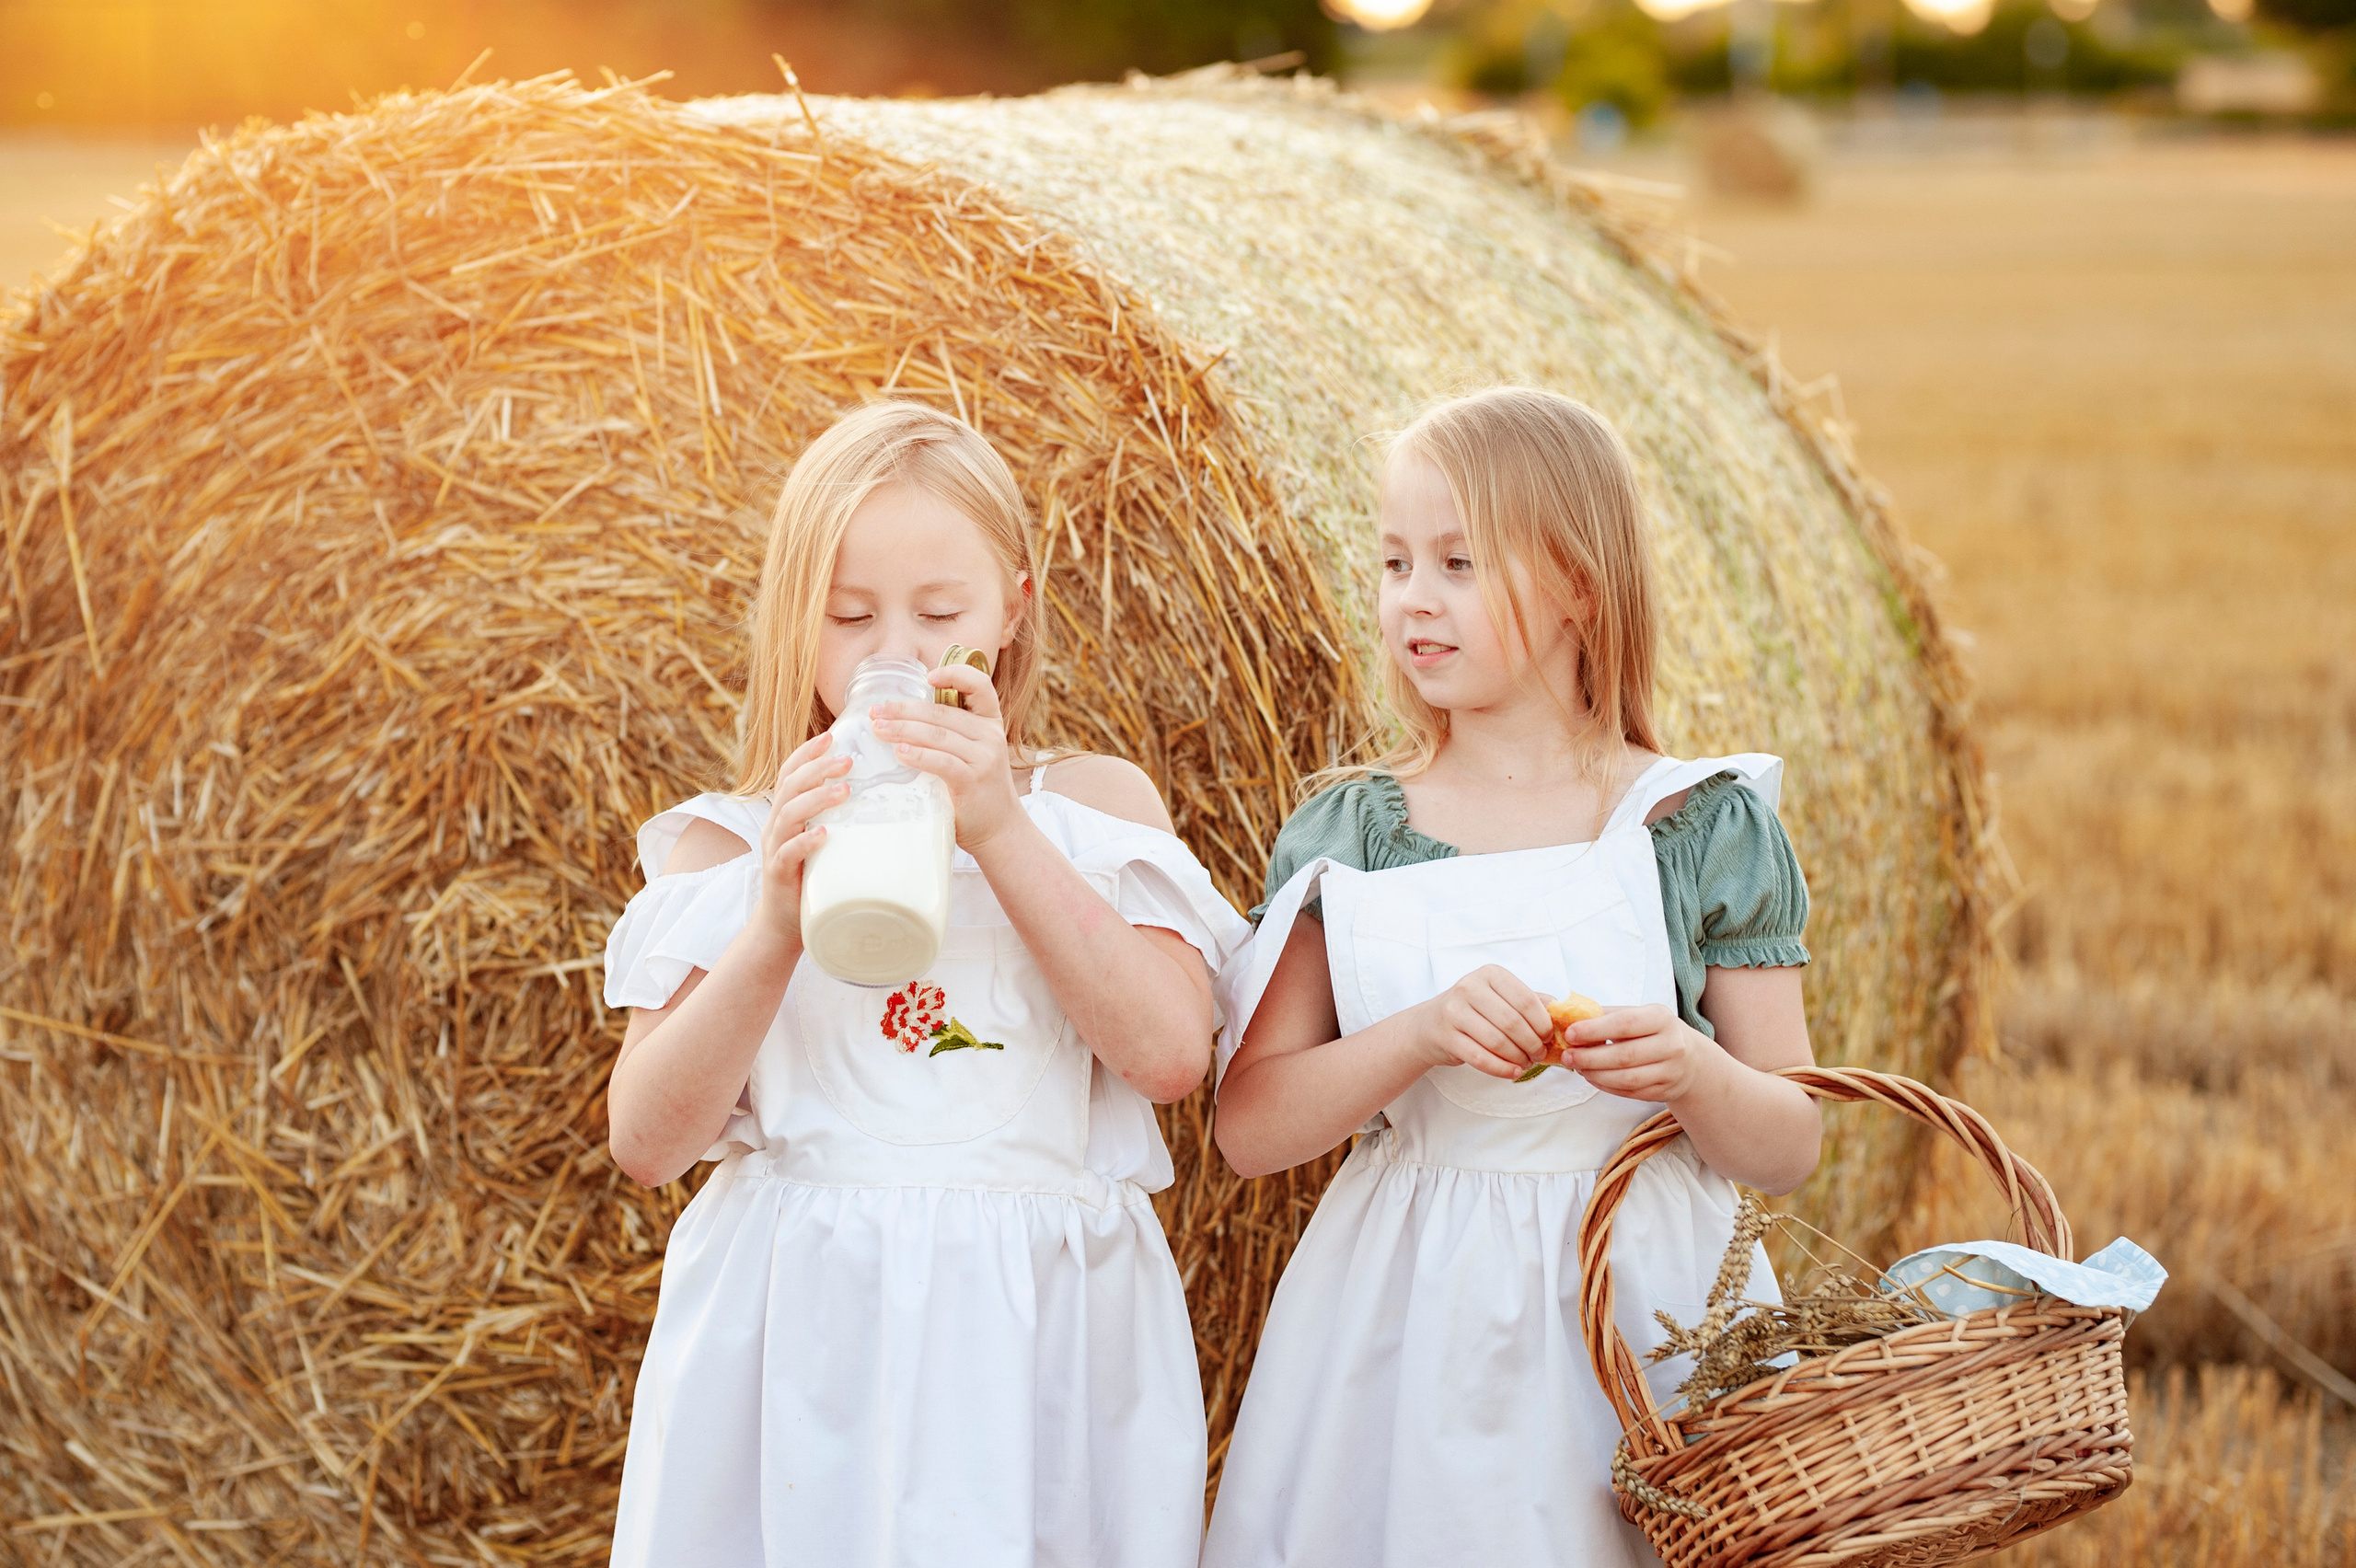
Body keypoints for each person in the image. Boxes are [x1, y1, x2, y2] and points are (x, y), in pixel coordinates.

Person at [599, 400, 1245, 1568]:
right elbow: (647, 1140)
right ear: (794, 623)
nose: (890, 647)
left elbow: (1168, 1056)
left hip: (1032, 1342)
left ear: (1011, 606)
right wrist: (774, 925)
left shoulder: (1092, 810)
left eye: (937, 614)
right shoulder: (730, 846)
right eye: (848, 617)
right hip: (803, 1343)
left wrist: (995, 823)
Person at [1202, 386, 1822, 1568]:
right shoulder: (1353, 834)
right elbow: (1250, 1128)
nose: (1411, 600)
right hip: (1401, 1311)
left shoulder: (1695, 823)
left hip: (1645, 1313)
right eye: (1393, 562)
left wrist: (1689, 1071)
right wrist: (1420, 1035)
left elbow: (1793, 1140)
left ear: (1579, 586)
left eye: (1457, 562)